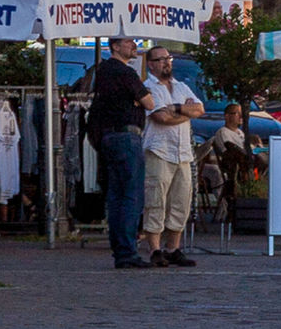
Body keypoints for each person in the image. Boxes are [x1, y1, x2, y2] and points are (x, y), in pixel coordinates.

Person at [83, 37, 149, 270]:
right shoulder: (124, 72)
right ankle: (128, 251)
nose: (134, 46)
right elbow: (149, 102)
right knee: (131, 196)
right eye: (129, 42)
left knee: (116, 196)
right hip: (126, 137)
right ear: (116, 46)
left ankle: (121, 250)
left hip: (109, 137)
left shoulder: (102, 71)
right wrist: (139, 100)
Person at [138, 45, 207, 264]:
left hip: (183, 152)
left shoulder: (181, 86)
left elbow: (200, 110)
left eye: (168, 58)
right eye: (160, 60)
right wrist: (186, 113)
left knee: (181, 201)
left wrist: (176, 108)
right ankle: (155, 249)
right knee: (156, 200)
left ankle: (173, 248)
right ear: (151, 64)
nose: (166, 63)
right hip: (159, 150)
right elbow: (161, 118)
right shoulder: (148, 88)